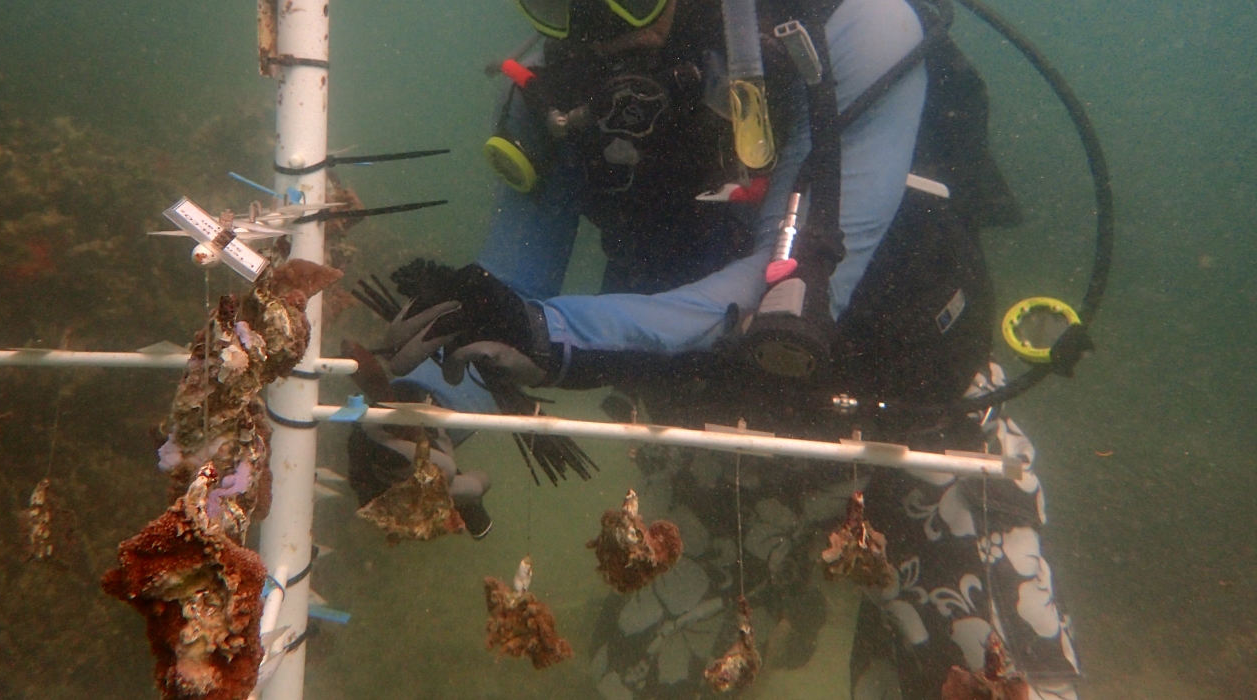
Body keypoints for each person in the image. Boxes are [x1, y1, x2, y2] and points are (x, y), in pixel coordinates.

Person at [348, 0, 1082, 697]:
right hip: (721, 437)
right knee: (638, 681)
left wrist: (554, 336)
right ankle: (790, 598)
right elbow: (509, 291)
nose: (597, 27)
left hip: (922, 425)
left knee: (990, 681)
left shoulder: (854, 27)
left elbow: (779, 283)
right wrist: (420, 408)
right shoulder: (553, 87)